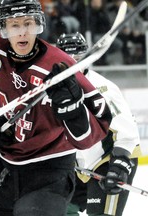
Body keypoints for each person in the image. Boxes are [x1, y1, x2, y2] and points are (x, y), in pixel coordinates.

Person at [0, 0, 113, 215]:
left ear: (39, 25)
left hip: (50, 176)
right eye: (14, 25)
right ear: (3, 28)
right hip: (4, 174)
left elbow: (90, 135)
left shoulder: (60, 66)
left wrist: (71, 108)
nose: (23, 32)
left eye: (28, 23)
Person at [56, 32, 140, 216]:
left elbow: (127, 132)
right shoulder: (53, 89)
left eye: (78, 58)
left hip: (108, 160)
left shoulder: (103, 88)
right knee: (59, 210)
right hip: (78, 166)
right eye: (67, 58)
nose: (74, 63)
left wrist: (119, 166)